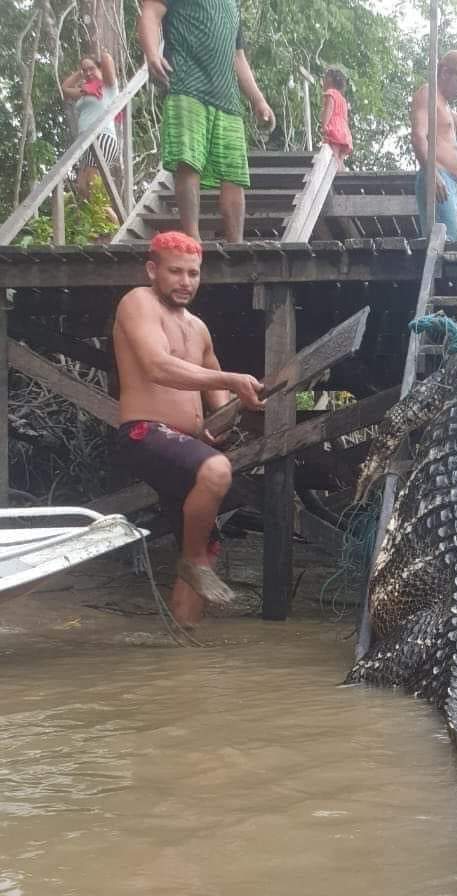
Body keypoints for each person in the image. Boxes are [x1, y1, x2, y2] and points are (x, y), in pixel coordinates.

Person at [113, 231, 265, 625]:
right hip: (144, 434)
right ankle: (193, 560)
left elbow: (216, 389)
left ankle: (184, 639)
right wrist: (231, 380)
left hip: (184, 445)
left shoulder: (198, 327)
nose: (185, 282)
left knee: (205, 546)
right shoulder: (138, 302)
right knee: (216, 469)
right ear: (153, 270)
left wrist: (228, 414)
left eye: (193, 274)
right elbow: (157, 366)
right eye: (176, 272)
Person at [136, 0, 276, 243]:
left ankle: (236, 244)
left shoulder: (232, 6)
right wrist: (152, 53)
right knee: (188, 161)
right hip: (187, 85)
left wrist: (258, 100)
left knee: (234, 174)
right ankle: (192, 237)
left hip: (227, 98)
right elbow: (151, 12)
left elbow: (238, 57)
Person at [410, 49, 457, 241]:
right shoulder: (428, 94)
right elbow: (418, 136)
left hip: (448, 183)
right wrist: (432, 174)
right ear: (445, 73)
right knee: (448, 248)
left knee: (448, 245)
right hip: (437, 177)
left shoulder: (445, 105)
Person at [61, 49, 119, 204]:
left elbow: (107, 58)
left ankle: (114, 218)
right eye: (84, 70)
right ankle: (100, 214)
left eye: (91, 68)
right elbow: (65, 89)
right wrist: (81, 74)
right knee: (82, 187)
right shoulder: (85, 92)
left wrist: (99, 58)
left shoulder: (108, 86)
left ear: (99, 68)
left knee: (93, 184)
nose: (88, 73)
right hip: (86, 142)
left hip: (102, 136)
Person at [320, 66, 352, 169]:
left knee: (333, 156)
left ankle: (336, 174)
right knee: (339, 158)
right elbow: (345, 118)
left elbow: (329, 109)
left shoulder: (331, 93)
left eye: (324, 79)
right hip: (344, 131)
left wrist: (324, 124)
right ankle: (342, 173)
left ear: (329, 80)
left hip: (334, 130)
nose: (323, 82)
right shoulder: (343, 100)